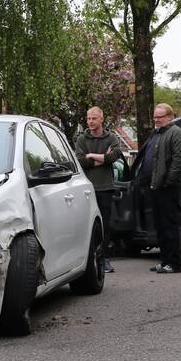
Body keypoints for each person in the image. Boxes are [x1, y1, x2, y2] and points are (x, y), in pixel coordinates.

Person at [134, 103, 181, 274]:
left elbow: (178, 160)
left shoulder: (176, 133)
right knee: (160, 226)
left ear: (170, 117)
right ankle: (164, 261)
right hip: (155, 186)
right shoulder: (157, 133)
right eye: (155, 116)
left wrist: (167, 181)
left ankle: (173, 263)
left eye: (160, 116)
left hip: (167, 187)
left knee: (170, 225)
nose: (156, 119)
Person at [74, 107, 124, 273]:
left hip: (105, 188)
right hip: (86, 189)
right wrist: (103, 158)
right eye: (88, 118)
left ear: (101, 119)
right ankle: (87, 259)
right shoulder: (82, 139)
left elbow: (115, 155)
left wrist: (92, 156)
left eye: (94, 118)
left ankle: (104, 258)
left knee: (104, 225)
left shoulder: (111, 137)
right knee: (87, 224)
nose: (90, 121)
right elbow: (81, 161)